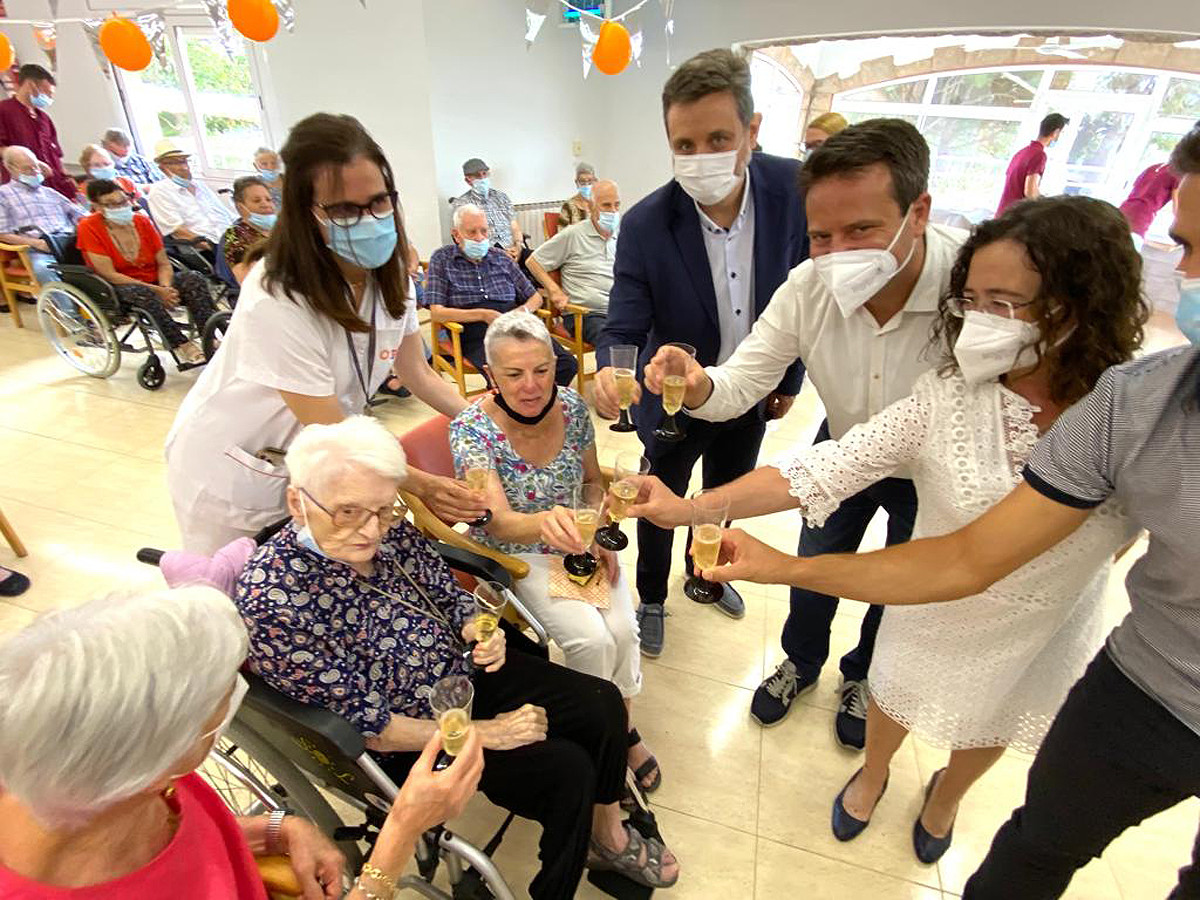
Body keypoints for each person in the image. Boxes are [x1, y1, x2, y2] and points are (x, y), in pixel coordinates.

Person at [693, 125, 1200, 900]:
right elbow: (825, 463)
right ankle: (869, 771)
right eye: (973, 302)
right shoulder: (955, 391)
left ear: (1074, 306)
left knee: (992, 716)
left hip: (1043, 616)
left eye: (1007, 304)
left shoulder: (1132, 408)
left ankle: (945, 796)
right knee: (894, 679)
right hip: (924, 576)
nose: (983, 319)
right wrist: (700, 506)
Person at [234, 416, 681, 897]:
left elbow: (450, 596)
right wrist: (490, 733)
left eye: (383, 512)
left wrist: (477, 627)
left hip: (463, 673)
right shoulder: (273, 599)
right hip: (414, 732)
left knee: (603, 700)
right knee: (567, 770)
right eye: (348, 513)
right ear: (298, 502)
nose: (370, 531)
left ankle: (606, 835)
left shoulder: (391, 531)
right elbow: (374, 729)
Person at [637, 118, 966, 743]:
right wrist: (698, 380)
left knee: (900, 580)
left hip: (933, 471)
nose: (839, 253)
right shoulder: (808, 288)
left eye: (862, 230)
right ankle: (801, 661)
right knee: (816, 560)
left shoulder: (968, 291)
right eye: (821, 235)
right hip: (841, 448)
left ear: (918, 212)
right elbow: (739, 384)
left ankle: (865, 677)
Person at [0, 583, 485, 900]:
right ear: (157, 752)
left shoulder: (99, 779)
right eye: (222, 690)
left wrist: (275, 829)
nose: (239, 694)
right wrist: (400, 832)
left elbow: (183, 834)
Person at [165, 113, 481, 554]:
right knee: (238, 591)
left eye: (379, 202)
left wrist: (486, 425)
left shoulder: (389, 276)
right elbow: (329, 422)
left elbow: (416, 372)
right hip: (241, 466)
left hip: (320, 461)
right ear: (305, 213)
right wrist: (424, 484)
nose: (368, 219)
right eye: (345, 210)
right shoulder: (277, 294)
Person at [591, 48, 809, 657]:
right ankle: (654, 596)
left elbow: (805, 292)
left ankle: (702, 574)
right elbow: (626, 315)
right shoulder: (645, 223)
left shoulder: (793, 193)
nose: (702, 157)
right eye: (684, 145)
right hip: (674, 395)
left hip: (753, 391)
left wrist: (788, 378)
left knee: (725, 491)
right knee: (662, 493)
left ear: (753, 131)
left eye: (719, 138)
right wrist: (616, 370)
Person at [448, 310, 660, 792]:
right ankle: (595, 739)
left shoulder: (571, 408)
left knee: (625, 630)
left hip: (577, 546)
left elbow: (590, 483)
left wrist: (600, 531)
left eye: (541, 370)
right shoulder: (471, 431)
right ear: (490, 376)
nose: (531, 385)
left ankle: (621, 732)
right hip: (518, 554)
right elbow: (497, 519)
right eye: (514, 374)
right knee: (592, 640)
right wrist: (549, 525)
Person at [424, 203, 578, 386]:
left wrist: (523, 311)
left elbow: (535, 297)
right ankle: (514, 410)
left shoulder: (500, 257)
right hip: (475, 329)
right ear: (457, 235)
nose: (480, 238)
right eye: (472, 232)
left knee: (566, 364)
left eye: (484, 231)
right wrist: (482, 314)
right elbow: (437, 312)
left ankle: (538, 407)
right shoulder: (442, 259)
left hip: (513, 321)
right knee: (507, 374)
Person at [79, 179, 215, 364]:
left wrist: (165, 288)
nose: (121, 207)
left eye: (124, 200)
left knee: (193, 278)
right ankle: (182, 344)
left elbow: (164, 263)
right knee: (142, 293)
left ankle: (210, 336)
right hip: (121, 285)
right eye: (112, 204)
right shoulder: (89, 227)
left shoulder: (142, 221)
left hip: (156, 279)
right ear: (97, 207)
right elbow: (109, 274)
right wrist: (157, 291)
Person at [527, 179, 620, 345]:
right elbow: (533, 261)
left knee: (659, 334)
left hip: (619, 310)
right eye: (606, 206)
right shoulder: (573, 234)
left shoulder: (621, 236)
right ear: (591, 207)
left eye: (617, 205)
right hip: (586, 314)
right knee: (614, 341)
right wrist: (554, 290)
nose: (613, 211)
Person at [0, 145, 85, 284]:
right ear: (10, 168)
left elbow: (79, 213)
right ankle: (66, 306)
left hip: (69, 241)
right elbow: (2, 233)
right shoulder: (3, 195)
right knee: (43, 269)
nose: (34, 172)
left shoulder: (50, 193)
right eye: (27, 168)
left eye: (35, 167)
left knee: (101, 259)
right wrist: (36, 243)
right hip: (38, 247)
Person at [146, 140, 235, 255]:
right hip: (207, 248)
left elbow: (224, 213)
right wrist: (217, 249)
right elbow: (178, 232)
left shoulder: (199, 185)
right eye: (175, 163)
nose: (184, 167)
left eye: (184, 161)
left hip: (230, 238)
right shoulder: (159, 192)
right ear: (162, 168)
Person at [0, 64, 75, 199]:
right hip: (25, 190)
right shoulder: (4, 112)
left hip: (55, 187)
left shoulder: (44, 119)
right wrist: (30, 162)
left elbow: (56, 154)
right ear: (31, 85)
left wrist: (67, 179)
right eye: (47, 93)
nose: (49, 99)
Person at [996, 113, 1068, 216]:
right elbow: (1030, 192)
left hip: (1003, 213)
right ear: (1056, 132)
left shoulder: (1022, 152)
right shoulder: (1039, 155)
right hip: (1014, 217)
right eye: (1061, 132)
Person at [451, 158, 522, 259]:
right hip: (488, 253)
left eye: (484, 174)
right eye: (477, 175)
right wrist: (501, 253)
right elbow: (466, 237)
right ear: (468, 180)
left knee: (537, 261)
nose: (482, 178)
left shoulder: (502, 197)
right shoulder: (462, 204)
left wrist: (518, 246)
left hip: (513, 248)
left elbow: (514, 226)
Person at [221, 175, 277, 283]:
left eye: (269, 200)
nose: (265, 204)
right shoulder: (236, 236)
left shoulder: (281, 229)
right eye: (257, 201)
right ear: (240, 207)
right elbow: (247, 281)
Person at [77, 143, 142, 205]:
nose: (103, 168)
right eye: (97, 165)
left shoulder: (126, 183)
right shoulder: (82, 192)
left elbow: (139, 206)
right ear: (87, 168)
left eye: (107, 164)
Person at [558, 161, 596, 229]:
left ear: (595, 181)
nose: (586, 185)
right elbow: (562, 234)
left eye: (590, 181)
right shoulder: (568, 206)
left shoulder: (599, 204)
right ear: (576, 183)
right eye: (582, 181)